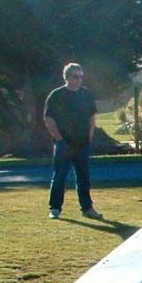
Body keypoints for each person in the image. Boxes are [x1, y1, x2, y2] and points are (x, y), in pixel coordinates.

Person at [44, 62, 101, 220]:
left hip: (82, 143)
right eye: (75, 77)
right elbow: (49, 119)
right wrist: (59, 139)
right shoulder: (56, 95)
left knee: (84, 177)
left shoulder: (86, 94)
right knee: (59, 177)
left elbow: (92, 116)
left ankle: (87, 208)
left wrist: (90, 135)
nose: (79, 80)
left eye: (81, 77)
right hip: (64, 144)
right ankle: (55, 208)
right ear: (67, 77)